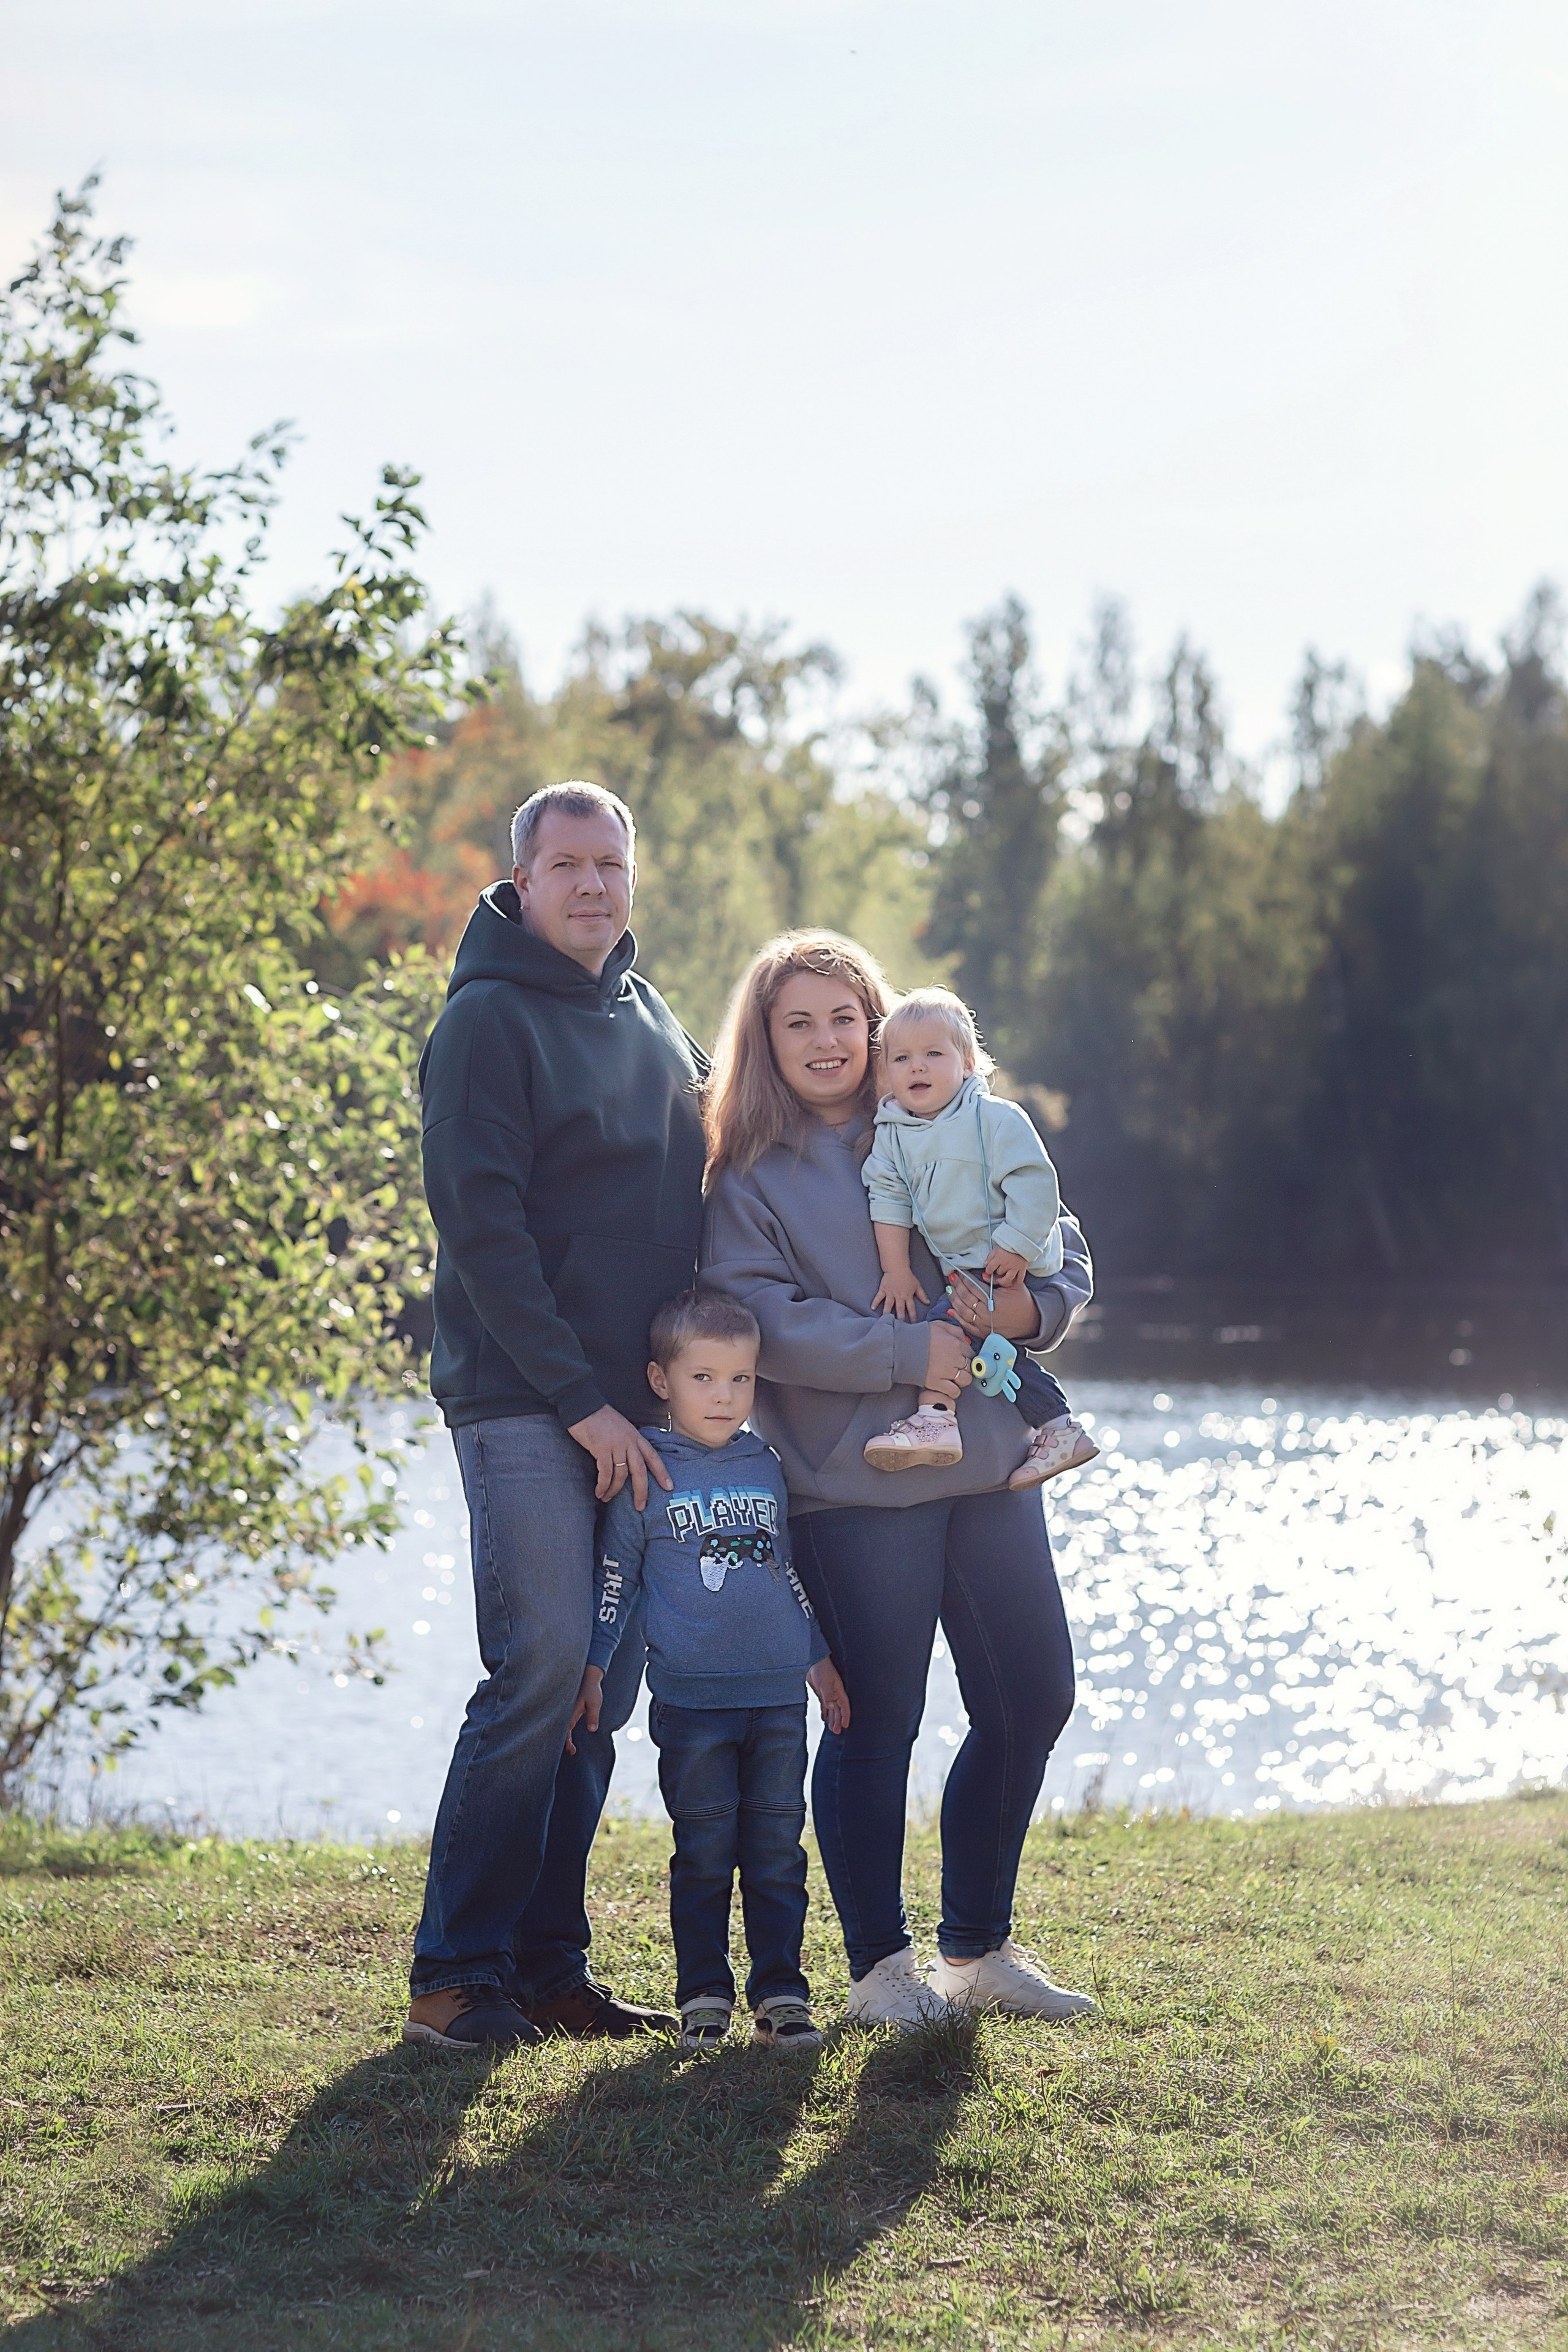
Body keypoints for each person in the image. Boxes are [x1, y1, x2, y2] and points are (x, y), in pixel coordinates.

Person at [701, 931, 1095, 2029]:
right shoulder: (746, 1175)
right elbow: (758, 1318)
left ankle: (978, 1948)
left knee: (1032, 1696)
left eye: (846, 1019)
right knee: (878, 1721)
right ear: (765, 1041)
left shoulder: (953, 1114)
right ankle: (881, 1969)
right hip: (854, 1485)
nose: (827, 1041)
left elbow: (1061, 1241)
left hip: (989, 1465)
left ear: (882, 1031)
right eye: (799, 1023)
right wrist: (903, 1352)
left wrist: (1028, 1309)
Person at [404, 780, 706, 2054]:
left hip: (639, 1412)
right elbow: (482, 1232)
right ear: (522, 881)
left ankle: (546, 1968)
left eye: (610, 866)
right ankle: (452, 1977)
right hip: (527, 1400)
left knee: (597, 1691)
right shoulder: (485, 1022)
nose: (592, 885)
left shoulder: (649, 1014)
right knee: (538, 1670)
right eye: (568, 865)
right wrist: (581, 1403)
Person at [569, 1288, 851, 2054]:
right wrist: (593, 1665)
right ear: (661, 1380)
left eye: (740, 1379)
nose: (724, 1396)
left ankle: (782, 1995)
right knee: (703, 1854)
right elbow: (616, 1577)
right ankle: (702, 1995)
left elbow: (783, 1572)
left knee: (777, 1852)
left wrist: (818, 1659)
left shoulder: (766, 1465)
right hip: (691, 1705)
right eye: (703, 1378)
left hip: (777, 1701)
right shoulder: (647, 1467)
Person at [860, 986, 1099, 1488]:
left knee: (947, 1331)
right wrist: (896, 1270)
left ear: (967, 1063)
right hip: (967, 1265)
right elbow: (888, 1201)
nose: (917, 1067)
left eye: (933, 1054)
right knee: (992, 1349)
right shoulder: (893, 1136)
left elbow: (1035, 1183)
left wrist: (1017, 1245)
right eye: (902, 1058)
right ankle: (1058, 1429)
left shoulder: (993, 1118)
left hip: (1014, 1258)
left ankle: (936, 1419)